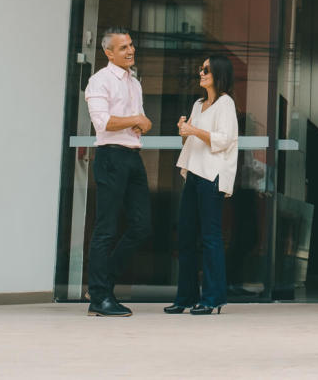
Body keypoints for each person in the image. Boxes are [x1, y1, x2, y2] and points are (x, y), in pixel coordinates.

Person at [83, 28, 153, 317]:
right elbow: (103, 123)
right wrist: (135, 120)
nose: (130, 50)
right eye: (122, 47)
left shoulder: (134, 83)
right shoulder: (99, 81)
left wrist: (141, 123)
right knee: (106, 228)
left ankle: (100, 283)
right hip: (111, 155)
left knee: (142, 226)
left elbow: (140, 123)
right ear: (108, 53)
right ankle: (100, 298)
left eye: (131, 45)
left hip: (133, 156)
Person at [164, 55, 239, 316]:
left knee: (210, 237)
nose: (201, 73)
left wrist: (194, 131)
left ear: (218, 73)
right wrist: (185, 131)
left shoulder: (225, 103)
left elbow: (225, 139)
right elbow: (193, 141)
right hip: (194, 173)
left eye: (206, 69)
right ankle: (185, 297)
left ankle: (213, 297)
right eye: (200, 69)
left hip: (212, 174)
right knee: (185, 235)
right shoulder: (198, 104)